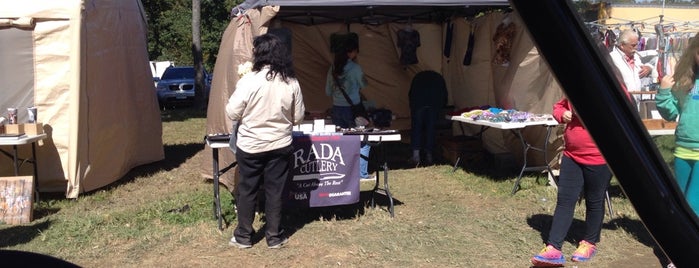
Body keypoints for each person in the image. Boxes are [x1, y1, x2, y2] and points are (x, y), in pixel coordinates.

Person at [226, 33, 305, 249]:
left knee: (247, 189)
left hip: (250, 145)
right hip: (279, 144)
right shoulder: (291, 82)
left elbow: (232, 112)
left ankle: (243, 236)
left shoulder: (249, 80)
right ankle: (274, 237)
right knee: (275, 191)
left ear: (258, 54)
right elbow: (298, 117)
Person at [530, 97, 612, 266]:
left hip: (599, 158)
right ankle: (553, 248)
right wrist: (563, 114)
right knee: (565, 200)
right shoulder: (576, 87)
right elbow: (558, 106)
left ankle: (589, 242)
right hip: (572, 155)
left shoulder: (608, 88)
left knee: (594, 200)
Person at [655, 33, 699, 216]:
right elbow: (671, 113)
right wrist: (664, 92)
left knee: (693, 204)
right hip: (683, 148)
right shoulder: (685, 81)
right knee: (680, 201)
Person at [325, 36, 373, 181]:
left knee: (341, 141)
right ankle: (361, 174)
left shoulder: (332, 68)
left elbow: (328, 91)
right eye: (355, 52)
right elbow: (364, 85)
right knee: (363, 140)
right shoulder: (355, 68)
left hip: (336, 109)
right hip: (353, 110)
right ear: (351, 52)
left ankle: (343, 172)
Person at [609, 29, 655, 111]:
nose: (636, 48)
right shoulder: (612, 58)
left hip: (635, 103)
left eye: (637, 45)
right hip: (621, 104)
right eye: (633, 45)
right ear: (622, 45)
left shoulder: (635, 57)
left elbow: (645, 66)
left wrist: (648, 67)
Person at [408, 70, 447, 166]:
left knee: (416, 128)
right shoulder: (438, 77)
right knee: (431, 129)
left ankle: (416, 156)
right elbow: (444, 94)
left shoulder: (418, 76)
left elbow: (411, 93)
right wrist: (441, 106)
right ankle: (429, 155)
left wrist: (413, 106)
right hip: (433, 103)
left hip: (419, 103)